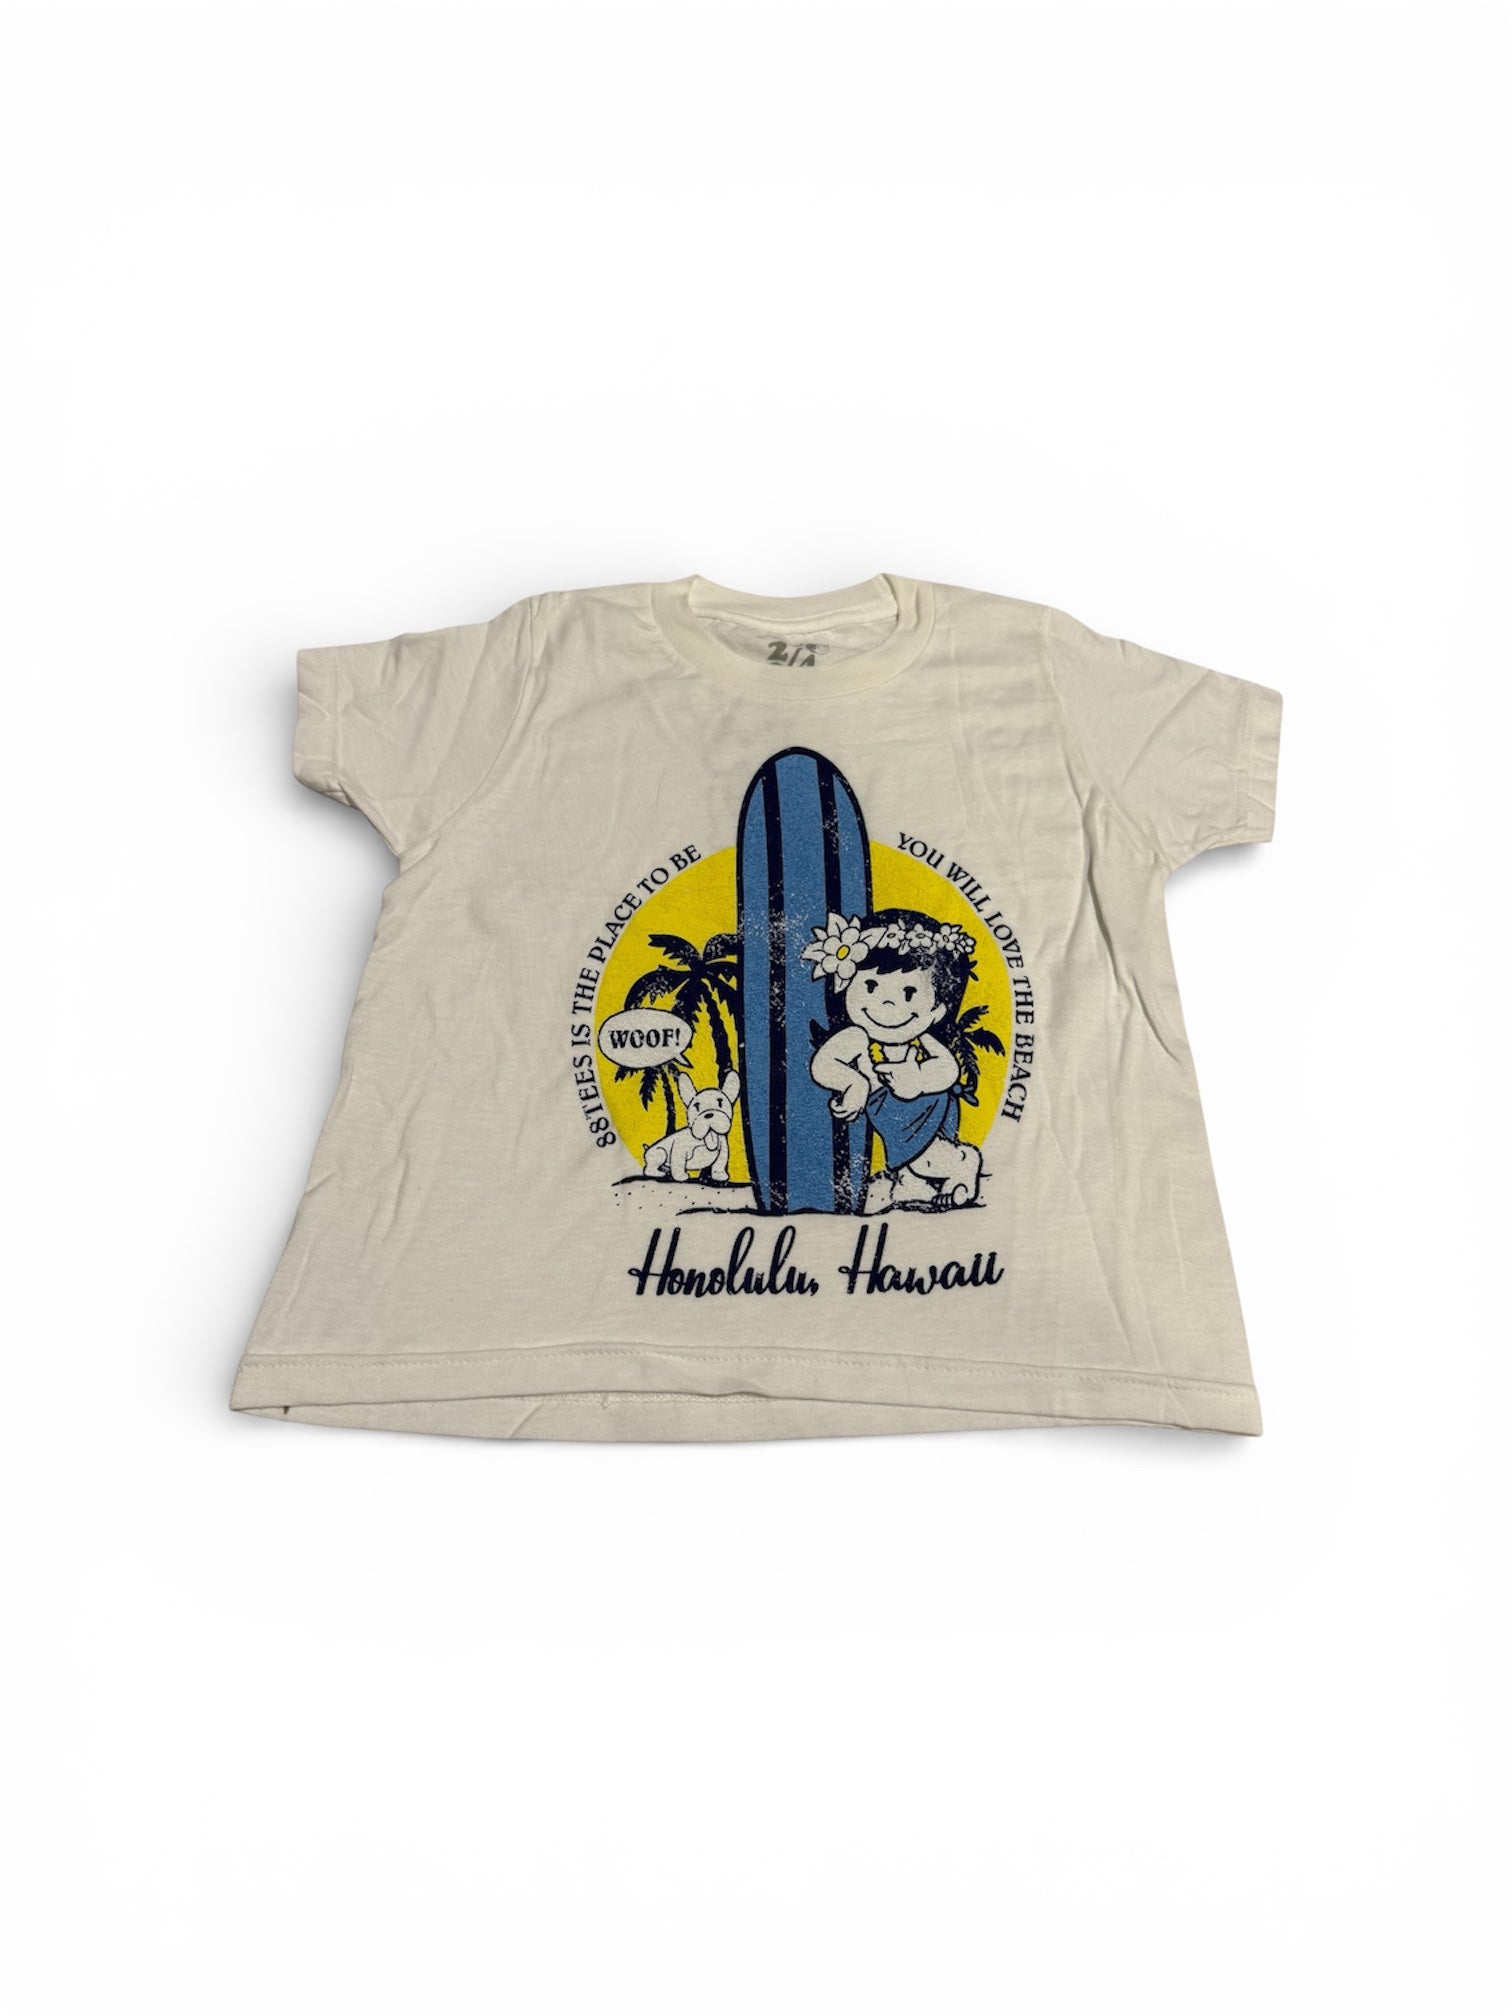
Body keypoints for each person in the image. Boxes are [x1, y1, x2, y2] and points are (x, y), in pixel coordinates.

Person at [804, 907, 984, 1211]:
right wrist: (855, 1083)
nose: (886, 1003)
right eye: (870, 987)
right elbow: (822, 1065)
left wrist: (919, 1080)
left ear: (937, 1010)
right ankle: (911, 1184)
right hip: (888, 1115)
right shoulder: (857, 1038)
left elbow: (948, 1070)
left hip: (925, 1108)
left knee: (927, 1158)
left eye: (909, 992)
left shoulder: (923, 1039)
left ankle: (963, 1161)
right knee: (909, 1163)